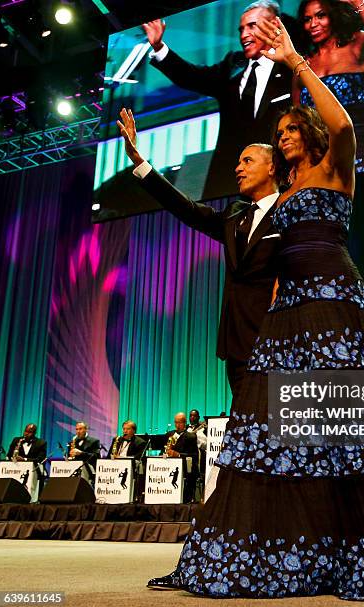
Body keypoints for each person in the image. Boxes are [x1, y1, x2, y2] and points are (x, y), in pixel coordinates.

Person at [146, 17, 364, 599]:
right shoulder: (281, 192)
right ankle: (301, 552)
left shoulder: (336, 169)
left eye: (295, 128)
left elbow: (343, 120)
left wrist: (296, 62)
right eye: (282, 130)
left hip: (335, 303)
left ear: (311, 136)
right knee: (275, 438)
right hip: (286, 311)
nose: (286, 134)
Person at [117, 112, 281, 395]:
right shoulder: (234, 215)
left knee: (282, 431)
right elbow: (187, 210)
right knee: (246, 433)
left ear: (272, 168)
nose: (237, 168)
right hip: (237, 348)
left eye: (247, 161)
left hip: (278, 342)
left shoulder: (291, 211)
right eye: (238, 161)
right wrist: (139, 162)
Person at [142, 1, 292, 199]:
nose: (244, 35)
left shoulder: (291, 70)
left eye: (251, 26)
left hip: (278, 185)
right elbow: (192, 76)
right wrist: (159, 47)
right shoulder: (233, 66)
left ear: (273, 24)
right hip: (227, 186)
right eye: (241, 29)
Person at [294, 0, 364, 172]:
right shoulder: (304, 62)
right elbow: (297, 118)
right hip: (322, 162)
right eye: (307, 19)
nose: (313, 24)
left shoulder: (357, 43)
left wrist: (357, 2)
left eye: (321, 16)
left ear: (334, 15)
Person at [162, 412, 199, 503]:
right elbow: (163, 450)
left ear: (184, 423)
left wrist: (178, 455)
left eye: (180, 422)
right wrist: (164, 454)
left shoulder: (191, 436)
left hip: (185, 468)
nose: (177, 425)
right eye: (176, 422)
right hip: (168, 466)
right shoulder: (169, 434)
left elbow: (194, 455)